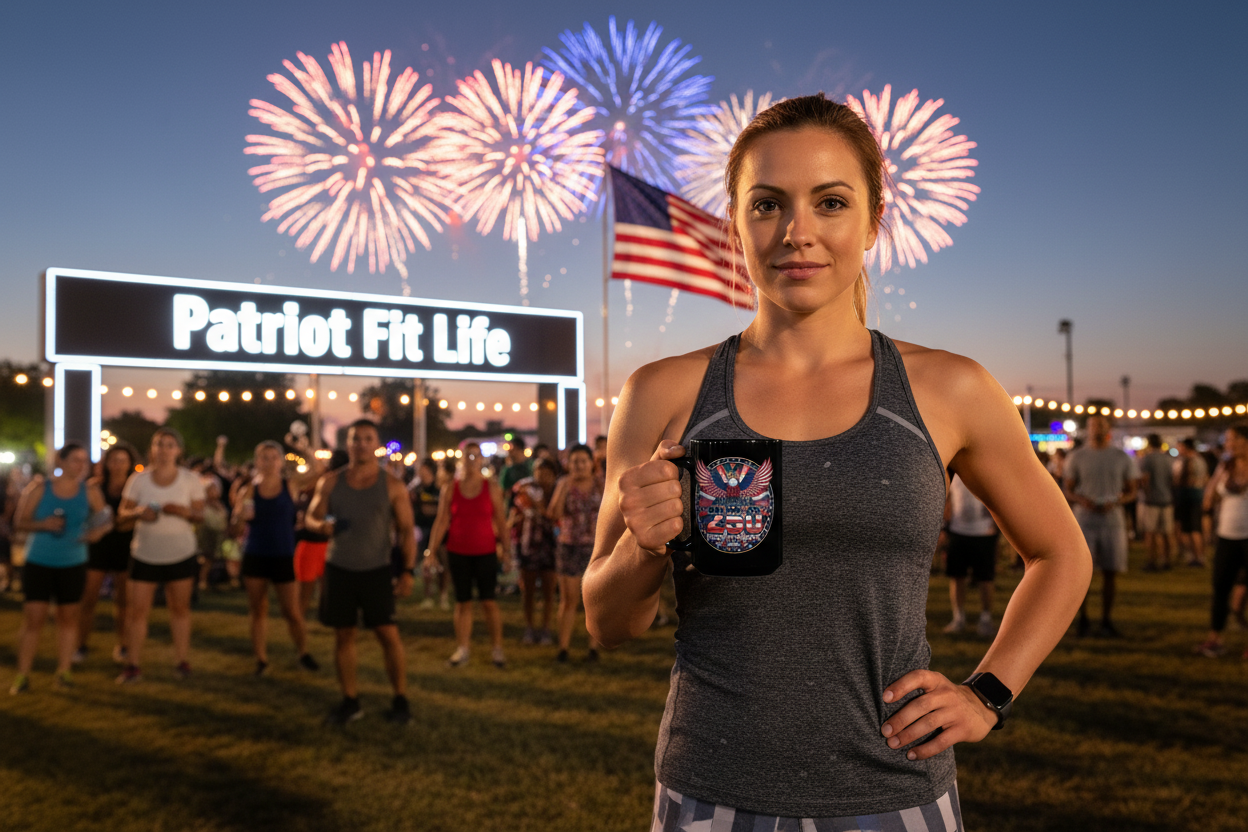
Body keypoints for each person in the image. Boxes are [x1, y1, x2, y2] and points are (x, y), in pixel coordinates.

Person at [583, 94, 1091, 829]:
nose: (797, 232)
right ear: (735, 224)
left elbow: (1060, 554)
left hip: (895, 791)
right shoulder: (660, 392)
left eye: (829, 202)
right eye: (767, 205)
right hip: (710, 791)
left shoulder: (950, 388)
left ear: (873, 222)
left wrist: (989, 694)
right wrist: (643, 542)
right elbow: (606, 622)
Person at [306, 420, 416, 725]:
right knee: (344, 635)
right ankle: (350, 701)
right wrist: (321, 526)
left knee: (388, 635)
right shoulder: (330, 481)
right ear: (348, 443)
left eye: (367, 439)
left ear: (376, 443)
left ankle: (400, 699)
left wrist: (407, 572)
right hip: (338, 567)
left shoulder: (392, 485)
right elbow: (311, 516)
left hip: (376, 570)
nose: (361, 444)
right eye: (356, 439)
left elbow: (407, 532)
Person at [9, 443, 111, 694]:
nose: (80, 465)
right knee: (34, 619)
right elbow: (19, 522)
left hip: (73, 562)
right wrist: (43, 525)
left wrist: (97, 533)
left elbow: (106, 520)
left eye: (83, 461)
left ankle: (64, 671)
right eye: (75, 459)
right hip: (39, 562)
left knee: (68, 619)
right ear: (61, 461)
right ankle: (22, 676)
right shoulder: (39, 489)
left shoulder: (89, 492)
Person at [116, 427, 206, 683]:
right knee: (137, 612)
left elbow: (201, 515)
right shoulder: (139, 479)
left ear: (178, 451)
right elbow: (122, 514)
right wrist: (137, 513)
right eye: (159, 444)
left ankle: (181, 661)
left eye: (169, 445)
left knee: (180, 609)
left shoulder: (190, 479)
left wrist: (184, 512)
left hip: (180, 553)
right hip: (144, 553)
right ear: (152, 449)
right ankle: (133, 664)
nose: (164, 450)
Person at [232, 440, 319, 676]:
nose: (269, 463)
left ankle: (303, 652)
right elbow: (237, 529)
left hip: (282, 554)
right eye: (264, 458)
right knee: (257, 610)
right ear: (256, 461)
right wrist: (240, 516)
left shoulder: (289, 485)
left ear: (281, 461)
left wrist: (302, 448)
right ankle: (260, 659)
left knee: (291, 611)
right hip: (256, 554)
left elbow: (317, 470)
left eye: (273, 457)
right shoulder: (248, 490)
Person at [423, 441, 510, 668]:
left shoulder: (490, 487)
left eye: (475, 456)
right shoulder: (450, 488)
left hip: (485, 551)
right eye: (467, 456)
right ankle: (462, 649)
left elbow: (501, 521)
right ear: (461, 459)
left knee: (488, 602)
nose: (471, 461)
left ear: (481, 460)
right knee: (462, 602)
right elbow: (442, 520)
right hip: (458, 551)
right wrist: (431, 551)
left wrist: (508, 553)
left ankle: (497, 649)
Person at [1064, 415, 1139, 637]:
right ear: (1087, 429)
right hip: (1084, 521)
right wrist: (1081, 500)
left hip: (1112, 521)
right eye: (1093, 425)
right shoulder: (1077, 456)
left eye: (1101, 425)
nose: (1096, 429)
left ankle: (1106, 619)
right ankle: (1083, 618)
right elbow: (1068, 488)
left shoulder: (1121, 457)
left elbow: (1132, 490)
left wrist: (1116, 501)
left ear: (1108, 429)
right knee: (1082, 573)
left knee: (1110, 571)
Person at [75, 441, 138, 665]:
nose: (118, 464)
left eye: (122, 460)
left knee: (123, 602)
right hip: (98, 547)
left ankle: (123, 645)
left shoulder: (135, 488)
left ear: (130, 463)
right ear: (107, 462)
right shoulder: (94, 486)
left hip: (125, 547)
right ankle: (80, 645)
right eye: (114, 459)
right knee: (88, 598)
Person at [1195, 424, 1248, 658]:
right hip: (1227, 537)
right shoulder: (1224, 467)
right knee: (1220, 588)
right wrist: (1207, 518)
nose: (1227, 444)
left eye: (1231, 440)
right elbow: (1210, 496)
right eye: (1226, 440)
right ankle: (1215, 639)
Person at [547, 443, 604, 662]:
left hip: (595, 547)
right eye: (574, 462)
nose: (579, 466)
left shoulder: (601, 484)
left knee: (595, 599)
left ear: (591, 463)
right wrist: (563, 488)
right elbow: (554, 513)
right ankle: (563, 647)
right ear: (568, 464)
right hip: (569, 545)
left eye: (583, 461)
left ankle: (593, 647)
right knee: (569, 599)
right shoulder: (564, 484)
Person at [942, 474, 1000, 638]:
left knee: (985, 579)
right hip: (958, 530)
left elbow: (998, 498)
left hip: (984, 532)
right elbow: (948, 499)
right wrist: (946, 525)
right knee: (956, 576)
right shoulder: (953, 473)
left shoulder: (985, 470)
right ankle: (959, 618)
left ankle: (986, 619)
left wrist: (995, 525)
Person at [509, 458, 558, 644]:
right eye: (538, 471)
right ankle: (529, 628)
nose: (542, 476)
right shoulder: (524, 491)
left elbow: (556, 517)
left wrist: (538, 506)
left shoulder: (557, 492)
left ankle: (546, 628)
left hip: (551, 546)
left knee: (548, 591)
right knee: (527, 590)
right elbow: (513, 514)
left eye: (546, 472)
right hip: (528, 546)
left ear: (554, 474)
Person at [410, 459, 448, 610]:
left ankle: (443, 595)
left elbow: (442, 511)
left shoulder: (440, 489)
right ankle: (428, 596)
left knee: (443, 564)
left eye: (422, 469)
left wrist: (429, 510)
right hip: (422, 530)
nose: (419, 472)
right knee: (426, 565)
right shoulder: (416, 489)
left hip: (438, 530)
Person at [1138, 434, 1177, 571]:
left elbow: (1145, 480)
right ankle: (1167, 560)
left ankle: (1152, 561)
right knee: (1167, 533)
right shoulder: (1168, 459)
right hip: (1167, 499)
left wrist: (1146, 495)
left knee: (1150, 532)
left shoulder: (1147, 459)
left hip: (1152, 500)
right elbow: (1174, 480)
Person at [1175, 439, 1209, 566]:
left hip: (1187, 496)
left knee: (1189, 529)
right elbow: (1206, 478)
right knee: (1197, 528)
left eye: (1180, 447)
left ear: (1186, 447)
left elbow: (1179, 479)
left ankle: (1194, 556)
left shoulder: (1186, 461)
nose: (1179, 450)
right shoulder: (1201, 460)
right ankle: (1199, 556)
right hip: (1198, 495)